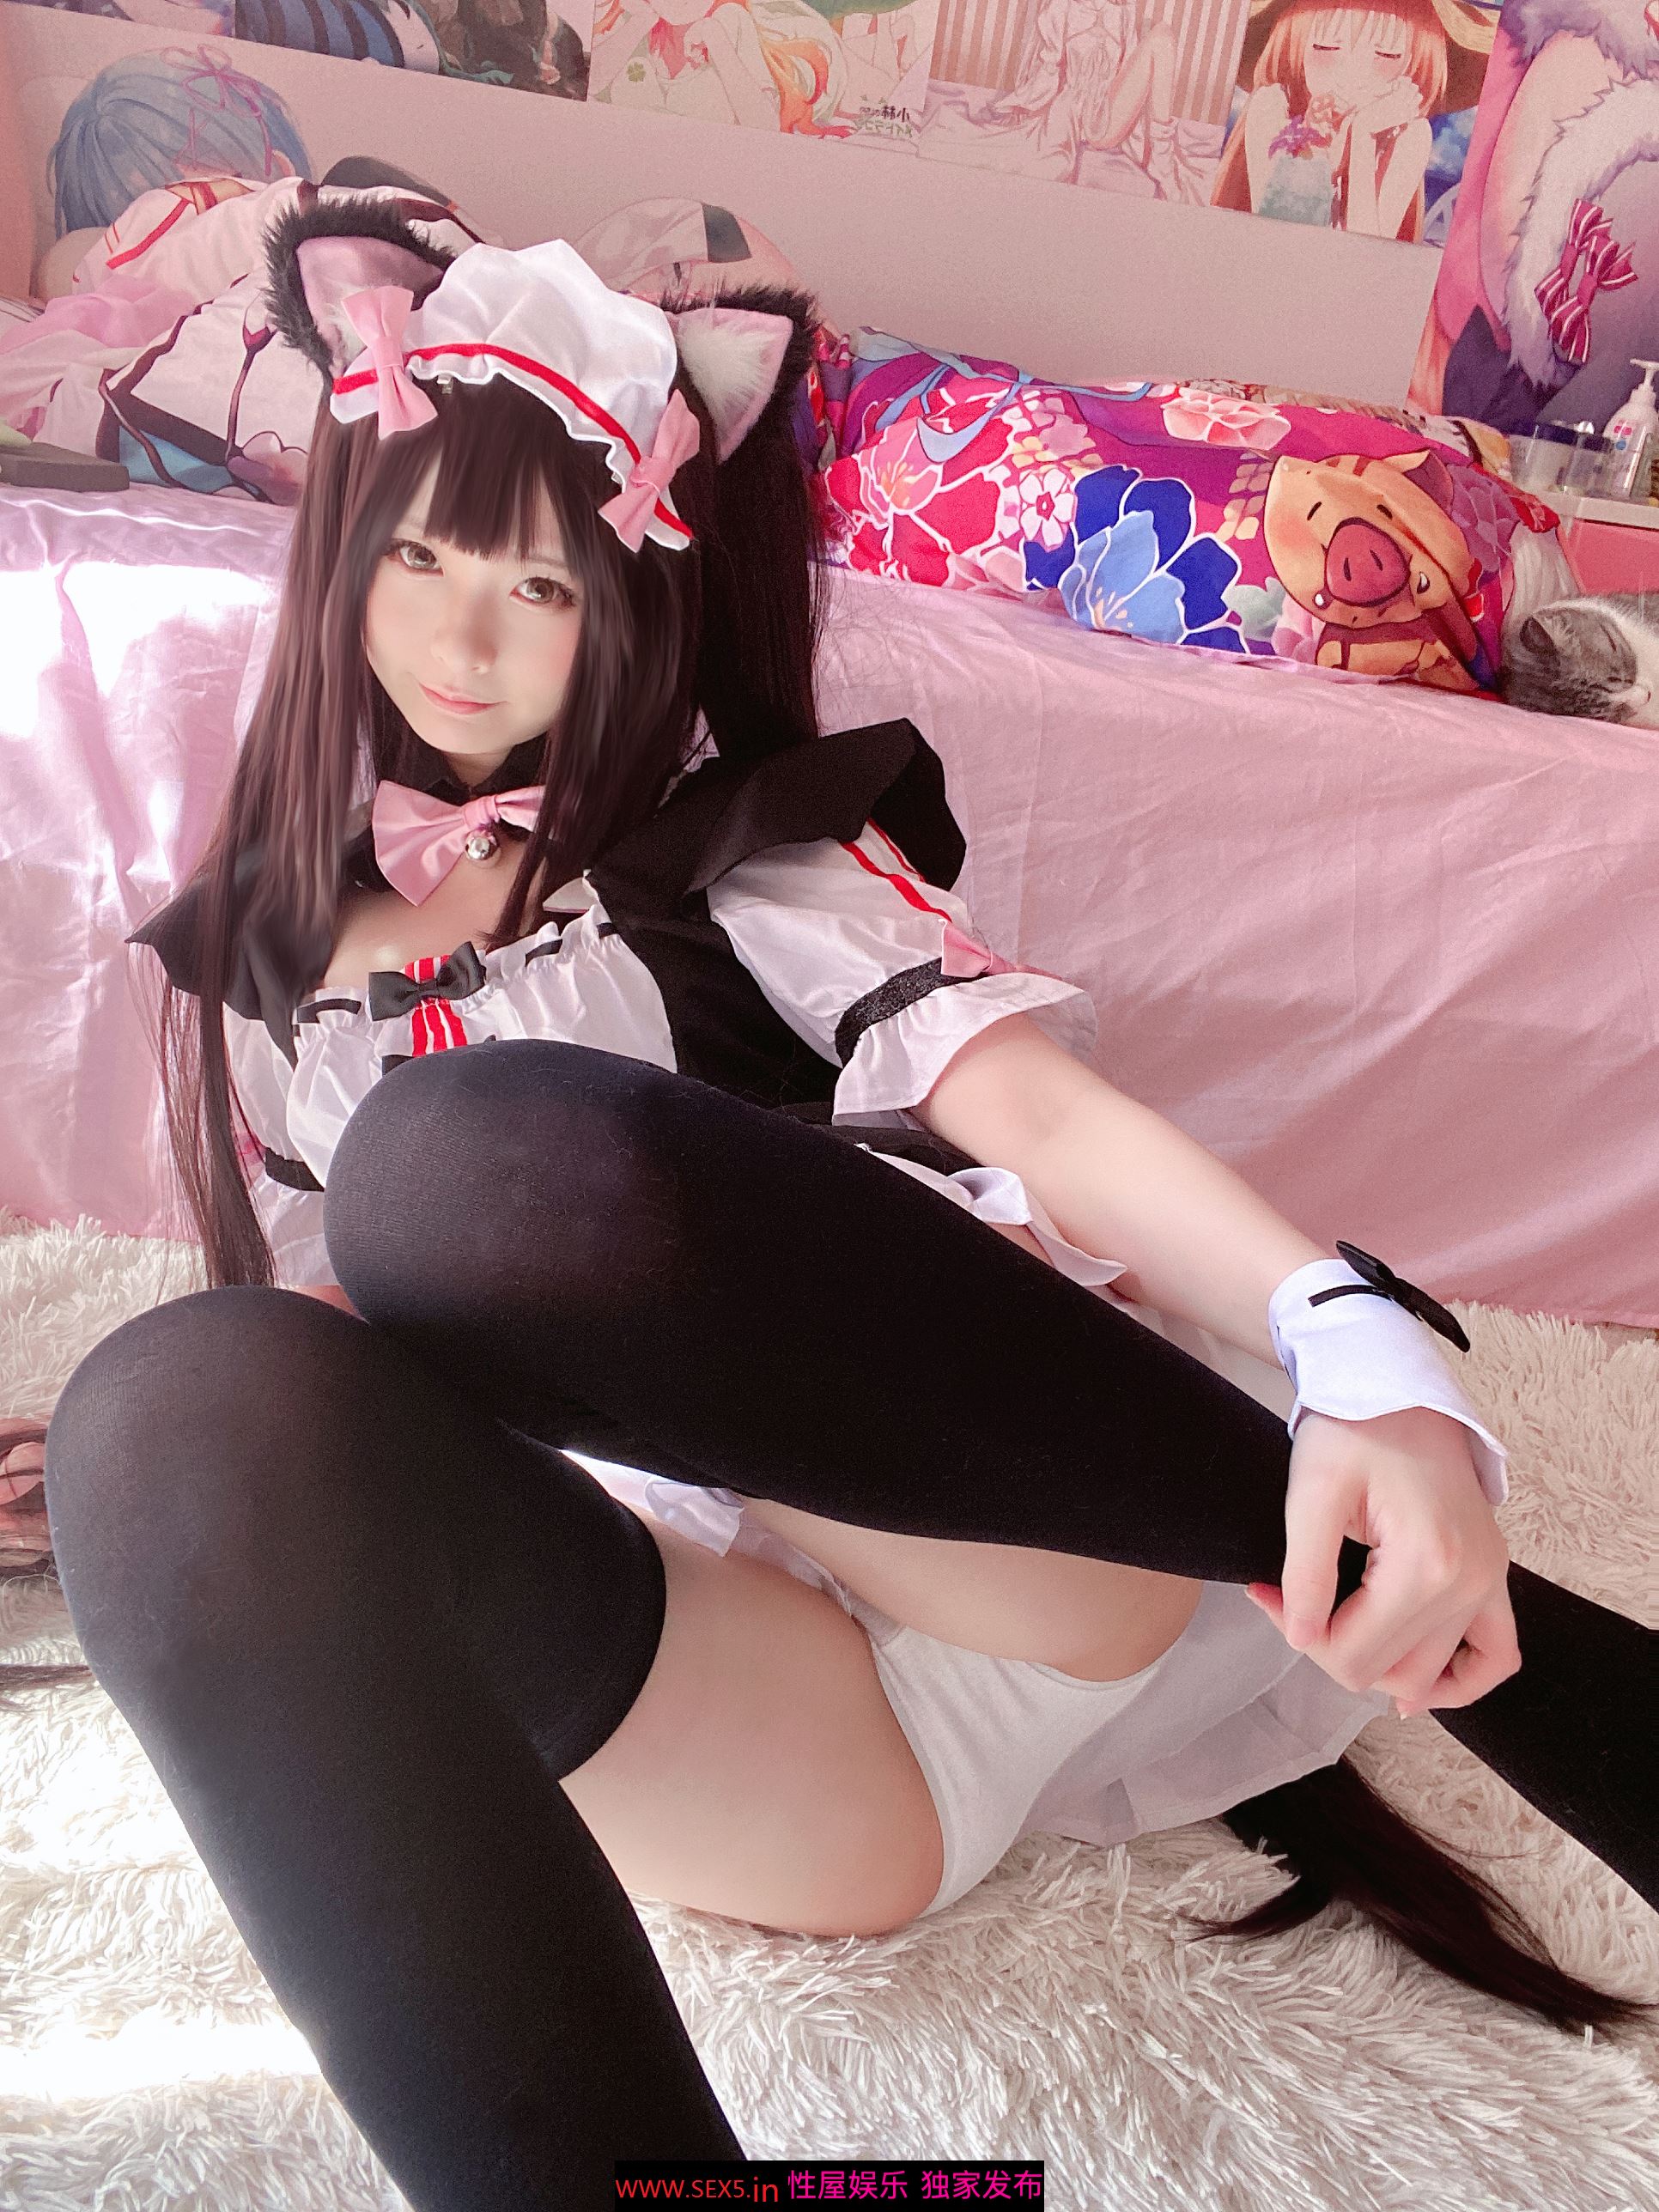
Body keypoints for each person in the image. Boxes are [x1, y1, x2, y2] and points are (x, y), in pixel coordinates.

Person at [5, 198, 1651, 2210]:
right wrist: (127, 1496)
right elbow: (327, 1362)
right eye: (417, 556)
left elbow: (1036, 1111)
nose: (460, 637)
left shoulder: (740, 852)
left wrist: (1351, 1333)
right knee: (167, 1411)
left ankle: (1350, 1546)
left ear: (635, 600)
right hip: (797, 1733)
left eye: (537, 580)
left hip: (1008, 1528)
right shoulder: (276, 967)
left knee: (462, 1167)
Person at [1210, 0, 1487, 238]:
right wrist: (1321, 152)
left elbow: (1368, 255)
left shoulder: (1410, 133)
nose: (1353, 71)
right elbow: (1275, 231)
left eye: (1386, 54)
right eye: (1326, 48)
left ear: (1414, 63)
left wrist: (1363, 137)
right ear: (1295, 46)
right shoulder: (1273, 105)